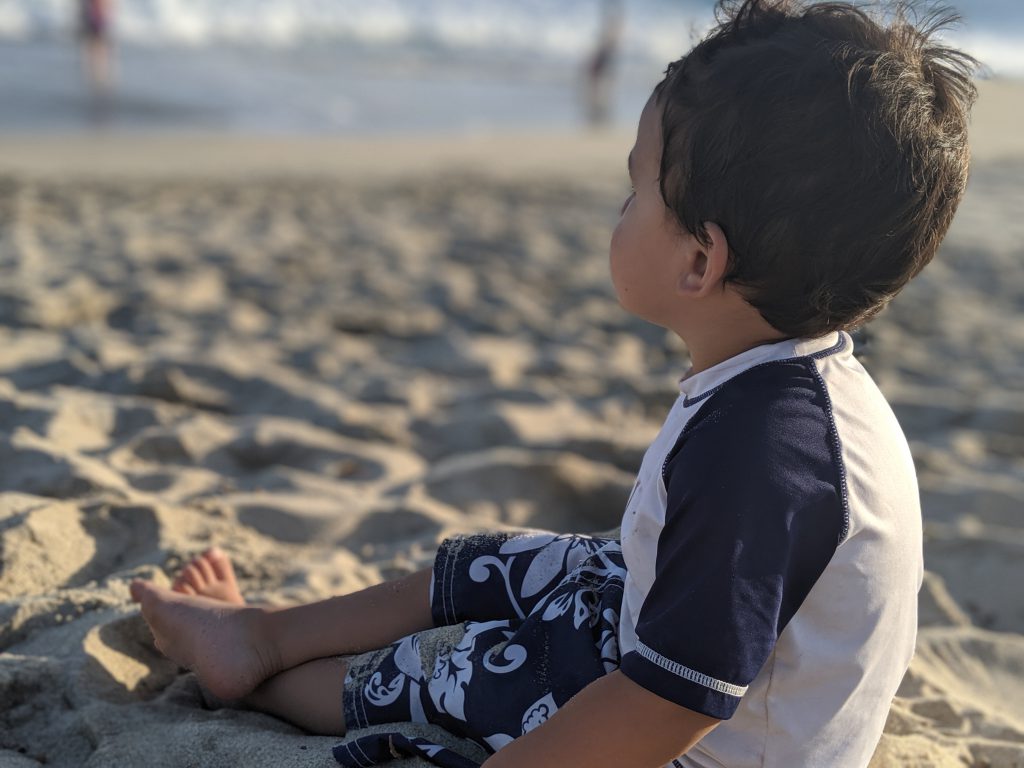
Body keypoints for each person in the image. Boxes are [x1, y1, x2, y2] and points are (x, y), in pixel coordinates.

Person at [130, 1, 978, 766]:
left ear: (699, 259)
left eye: (635, 189)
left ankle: (260, 683)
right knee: (523, 565)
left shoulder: (762, 458)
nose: (621, 208)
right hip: (715, 684)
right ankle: (264, 636)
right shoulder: (790, 384)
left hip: (698, 750)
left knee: (454, 677)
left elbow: (666, 703)